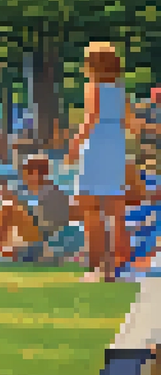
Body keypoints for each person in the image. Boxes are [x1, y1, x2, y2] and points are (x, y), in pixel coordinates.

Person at [68, 42, 161, 282]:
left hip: (96, 146)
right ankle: (116, 266)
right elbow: (130, 124)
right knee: (116, 211)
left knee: (90, 209)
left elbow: (90, 120)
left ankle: (96, 267)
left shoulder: (93, 88)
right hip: (116, 147)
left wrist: (74, 145)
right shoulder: (120, 90)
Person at [22, 155, 81, 264]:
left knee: (9, 210)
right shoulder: (51, 190)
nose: (24, 178)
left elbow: (47, 226)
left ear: (34, 173)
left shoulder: (47, 193)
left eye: (25, 173)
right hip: (48, 238)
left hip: (47, 238)